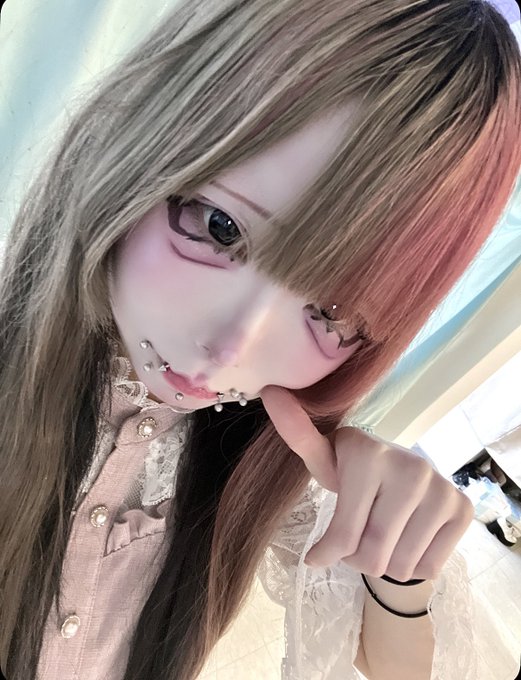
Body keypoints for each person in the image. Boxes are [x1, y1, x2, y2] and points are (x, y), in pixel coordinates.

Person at [0, 1, 520, 679]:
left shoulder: (258, 457)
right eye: (220, 227)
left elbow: (397, 667)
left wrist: (399, 570)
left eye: (332, 312)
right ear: (140, 142)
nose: (228, 350)